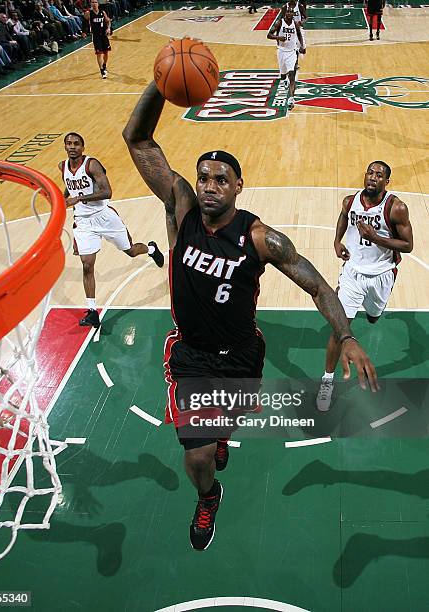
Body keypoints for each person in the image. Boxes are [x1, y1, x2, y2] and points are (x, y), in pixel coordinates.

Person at [122, 78, 378, 551]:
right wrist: (161, 85)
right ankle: (208, 495)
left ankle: (221, 430)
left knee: (230, 419)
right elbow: (138, 140)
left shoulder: (261, 239)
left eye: (221, 179)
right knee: (198, 455)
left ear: (239, 186)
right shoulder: (180, 209)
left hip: (242, 354)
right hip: (193, 357)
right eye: (204, 177)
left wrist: (345, 336)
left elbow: (318, 284)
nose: (209, 186)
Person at [316, 161, 413, 412]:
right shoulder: (350, 201)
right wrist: (337, 241)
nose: (372, 177)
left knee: (373, 317)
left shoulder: (396, 208)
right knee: (340, 327)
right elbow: (343, 218)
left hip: (381, 275)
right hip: (352, 273)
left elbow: (408, 245)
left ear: (386, 182)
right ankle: (327, 380)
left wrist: (376, 237)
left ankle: (372, 312)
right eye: (370, 172)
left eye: (379, 175)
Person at [59, 132, 164, 328]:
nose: (72, 147)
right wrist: (62, 198)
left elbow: (106, 192)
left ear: (83, 147)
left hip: (105, 217)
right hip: (83, 222)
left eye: (76, 144)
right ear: (65, 147)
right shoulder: (63, 167)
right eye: (69, 144)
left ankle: (151, 249)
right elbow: (69, 188)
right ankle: (92, 311)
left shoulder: (92, 165)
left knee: (131, 251)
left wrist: (79, 199)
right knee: (87, 265)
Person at [267, 8, 305, 111]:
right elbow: (269, 35)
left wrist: (301, 46)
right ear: (285, 13)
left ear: (293, 14)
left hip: (292, 52)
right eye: (287, 11)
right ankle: (284, 81)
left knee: (292, 74)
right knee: (283, 76)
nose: (289, 13)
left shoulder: (295, 24)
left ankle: (291, 99)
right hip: (281, 51)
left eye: (291, 12)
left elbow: (300, 35)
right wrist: (278, 38)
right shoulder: (280, 22)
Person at [85, 0, 110, 79]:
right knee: (99, 53)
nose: (94, 4)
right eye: (92, 2)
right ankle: (102, 70)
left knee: (106, 53)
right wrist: (84, 31)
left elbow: (108, 21)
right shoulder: (89, 13)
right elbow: (84, 22)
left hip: (103, 35)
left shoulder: (103, 12)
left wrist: (108, 28)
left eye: (95, 2)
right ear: (91, 4)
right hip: (96, 36)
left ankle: (104, 65)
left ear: (98, 4)